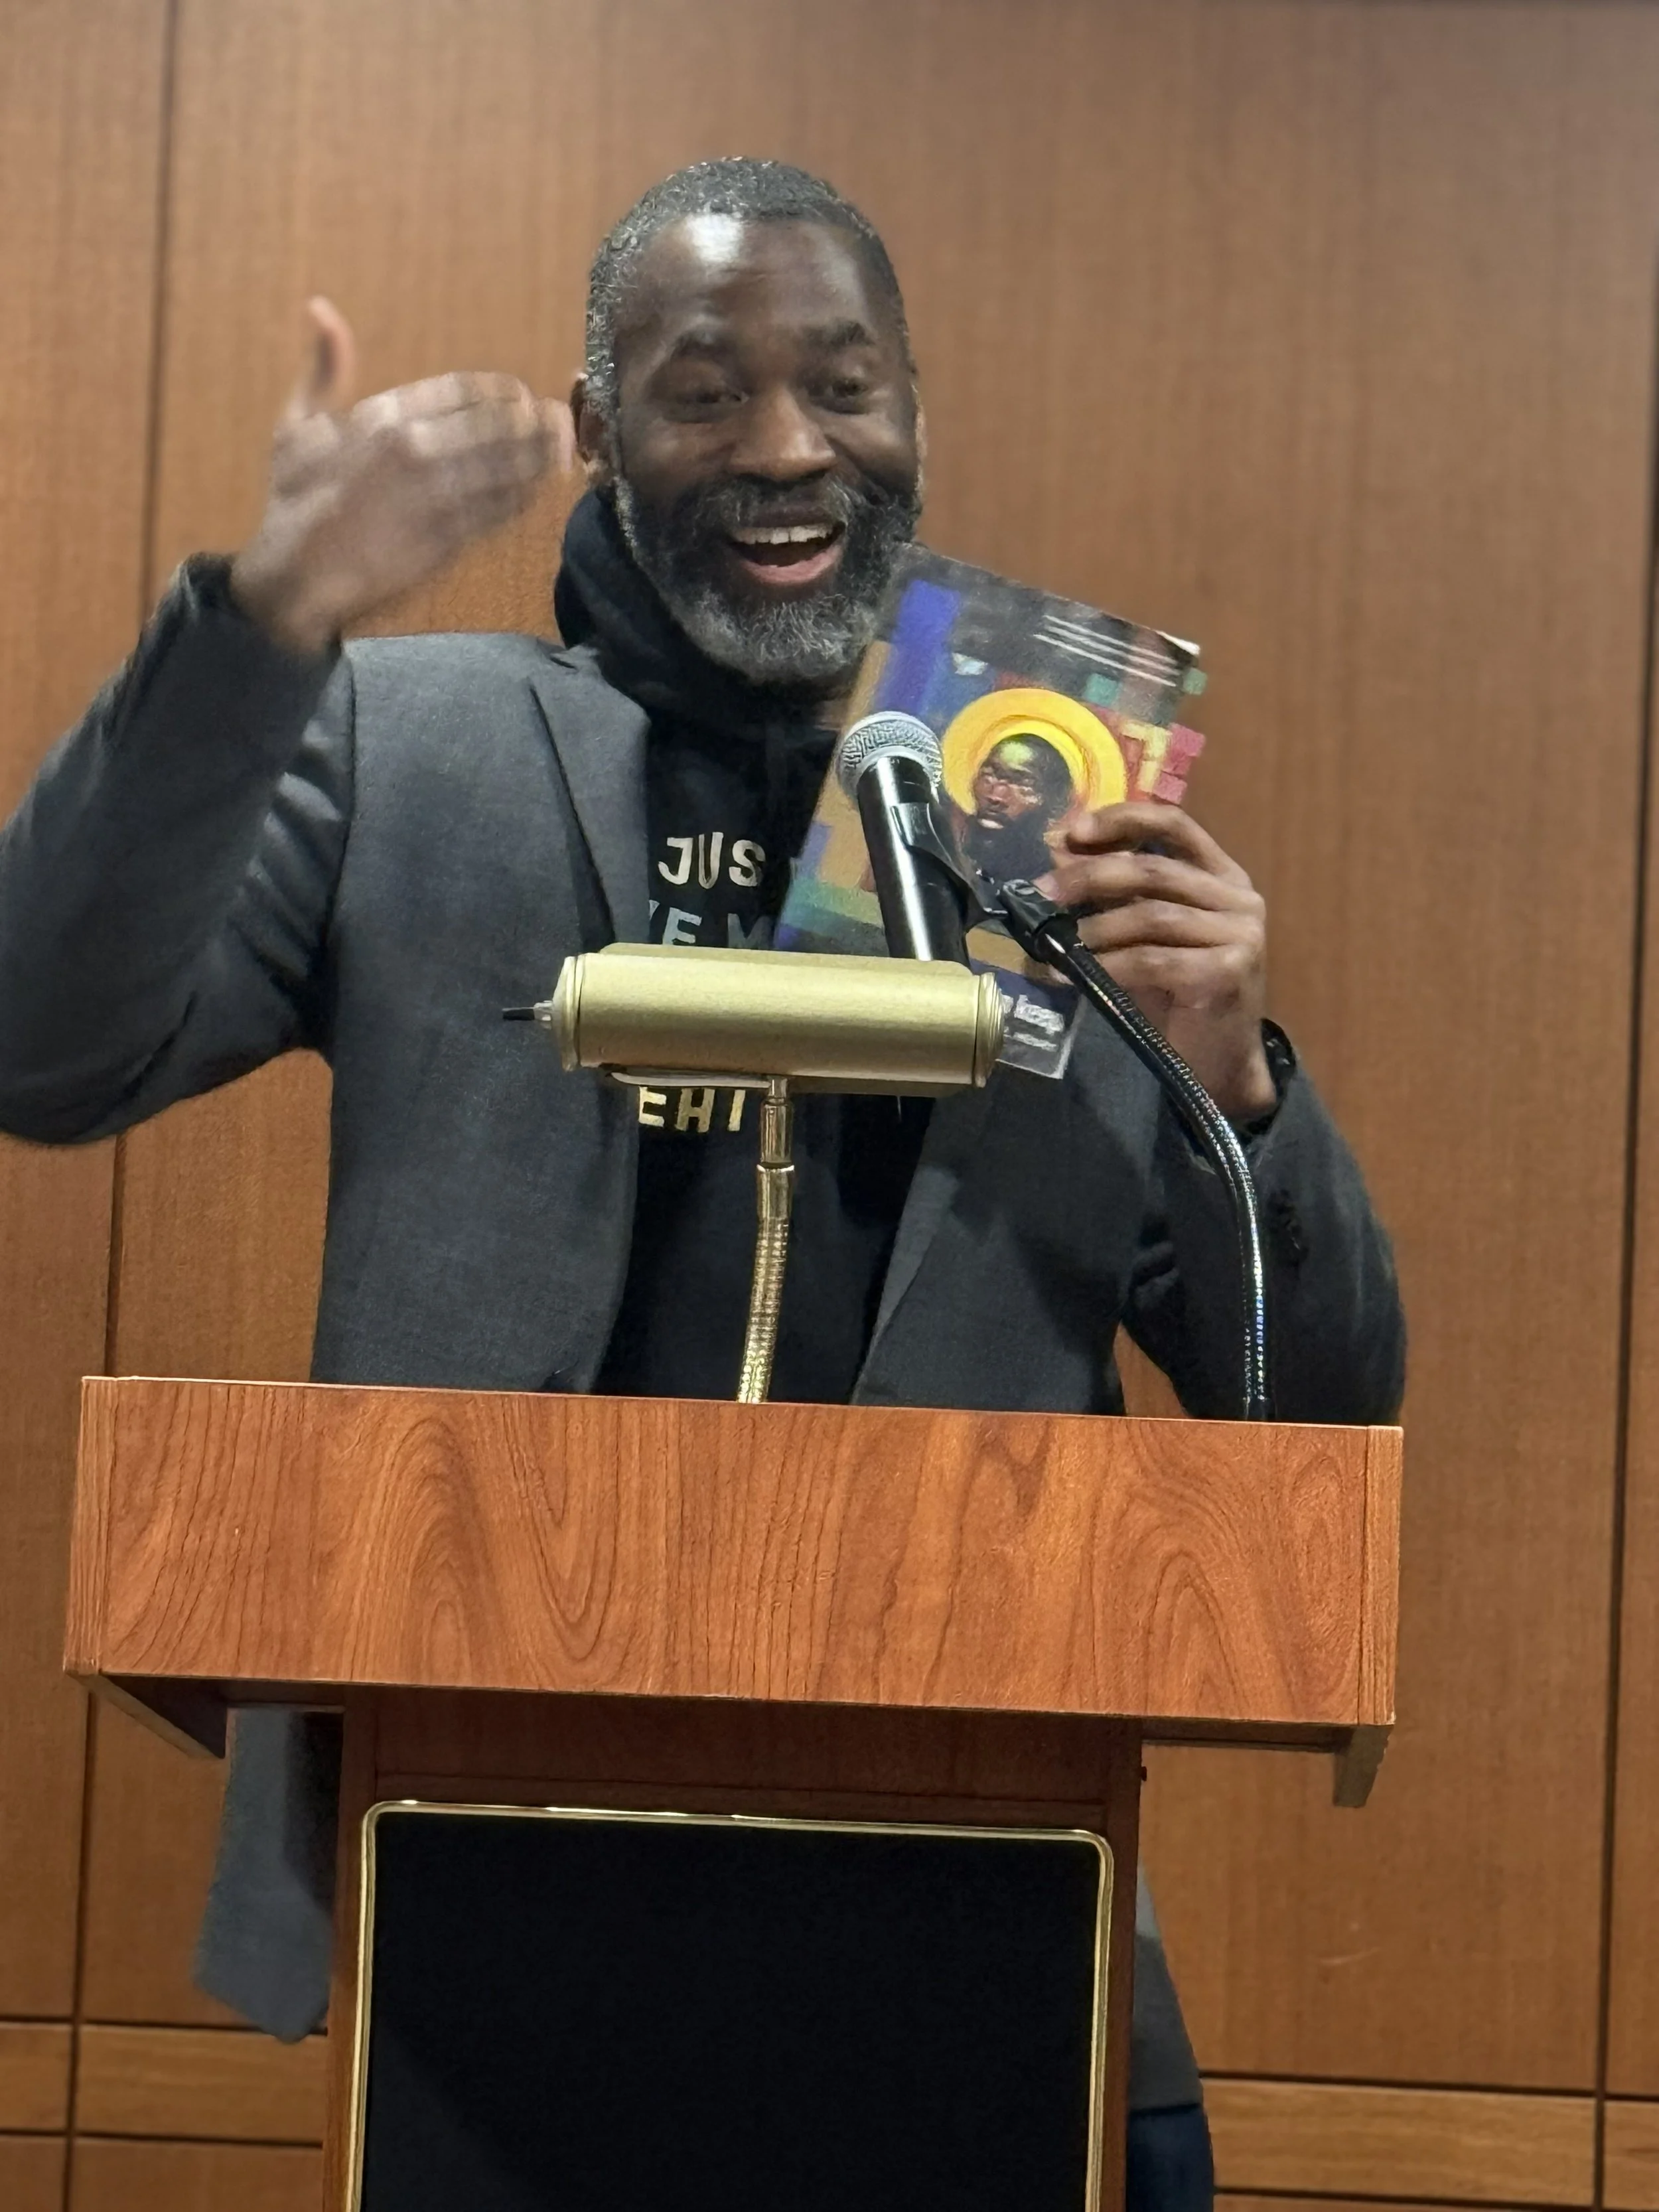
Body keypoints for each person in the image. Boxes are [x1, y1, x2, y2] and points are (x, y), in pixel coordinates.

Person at [0, 159, 1404, 2208]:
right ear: (596, 428)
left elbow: (1314, 1422)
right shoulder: (407, 748)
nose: (785, 447)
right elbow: (43, 1041)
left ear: (911, 412)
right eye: (702, 390)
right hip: (481, 1934)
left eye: (841, 384)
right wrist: (262, 624)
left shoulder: (1044, 803)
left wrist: (1238, 1088)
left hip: (989, 1936)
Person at [958, 729, 1077, 883]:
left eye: (1024, 784)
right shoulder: (945, 844)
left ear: (1056, 802)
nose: (995, 796)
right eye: (989, 775)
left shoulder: (1052, 880)